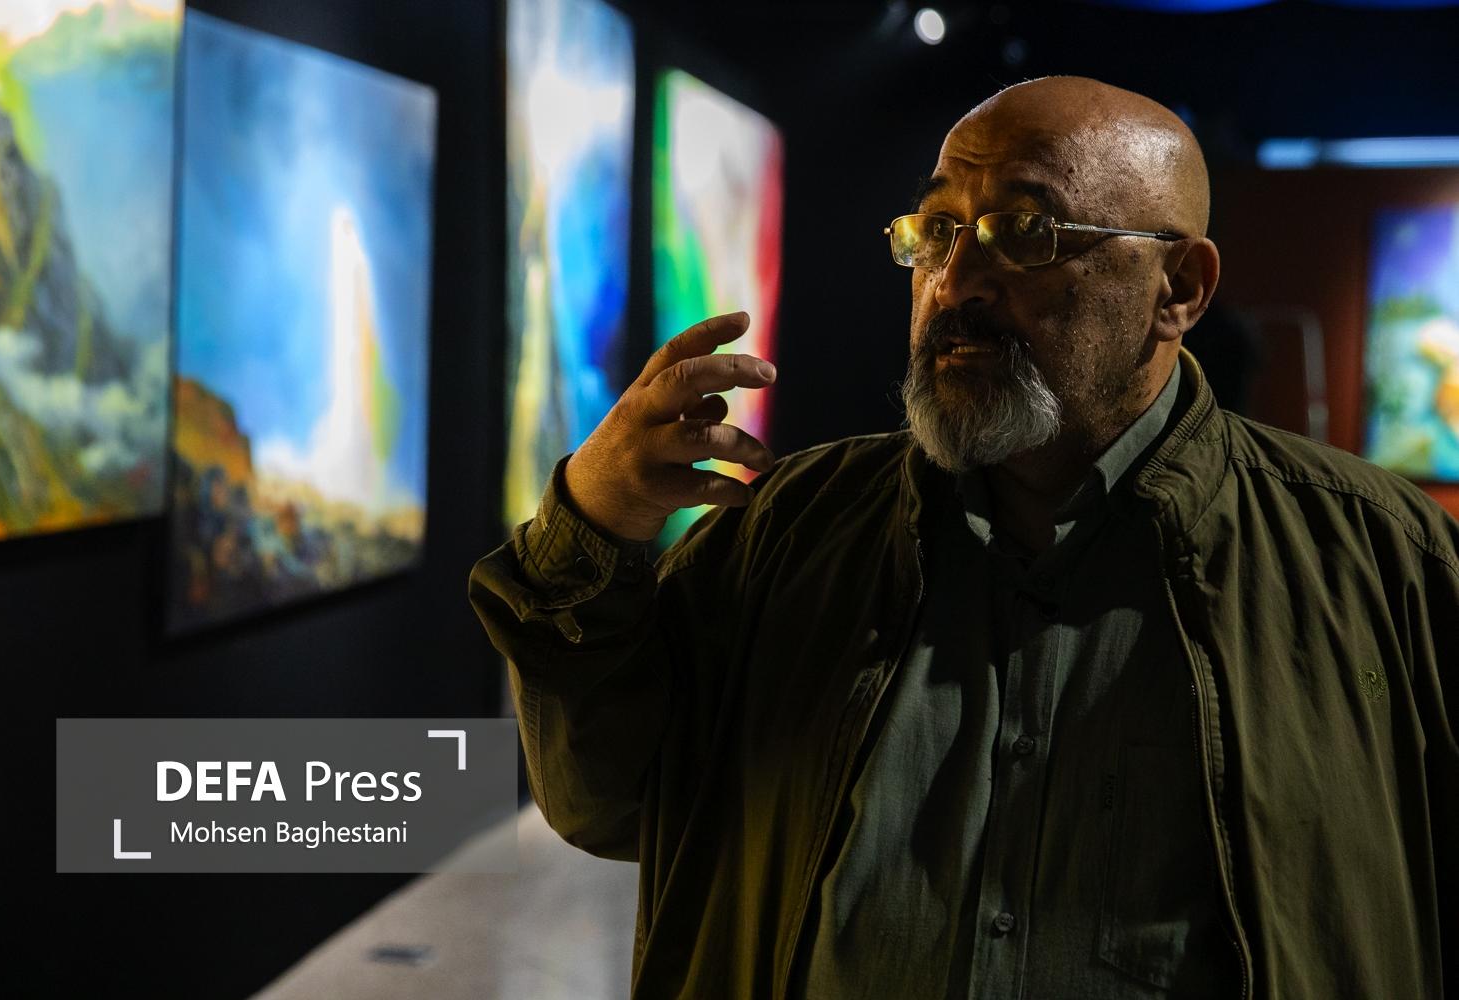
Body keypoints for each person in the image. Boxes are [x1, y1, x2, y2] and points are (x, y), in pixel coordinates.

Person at [470, 76, 1457, 999]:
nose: (953, 284)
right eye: (937, 232)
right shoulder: (789, 529)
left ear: (1179, 289)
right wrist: (590, 530)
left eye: (1025, 233)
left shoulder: (1381, 563)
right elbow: (611, 801)